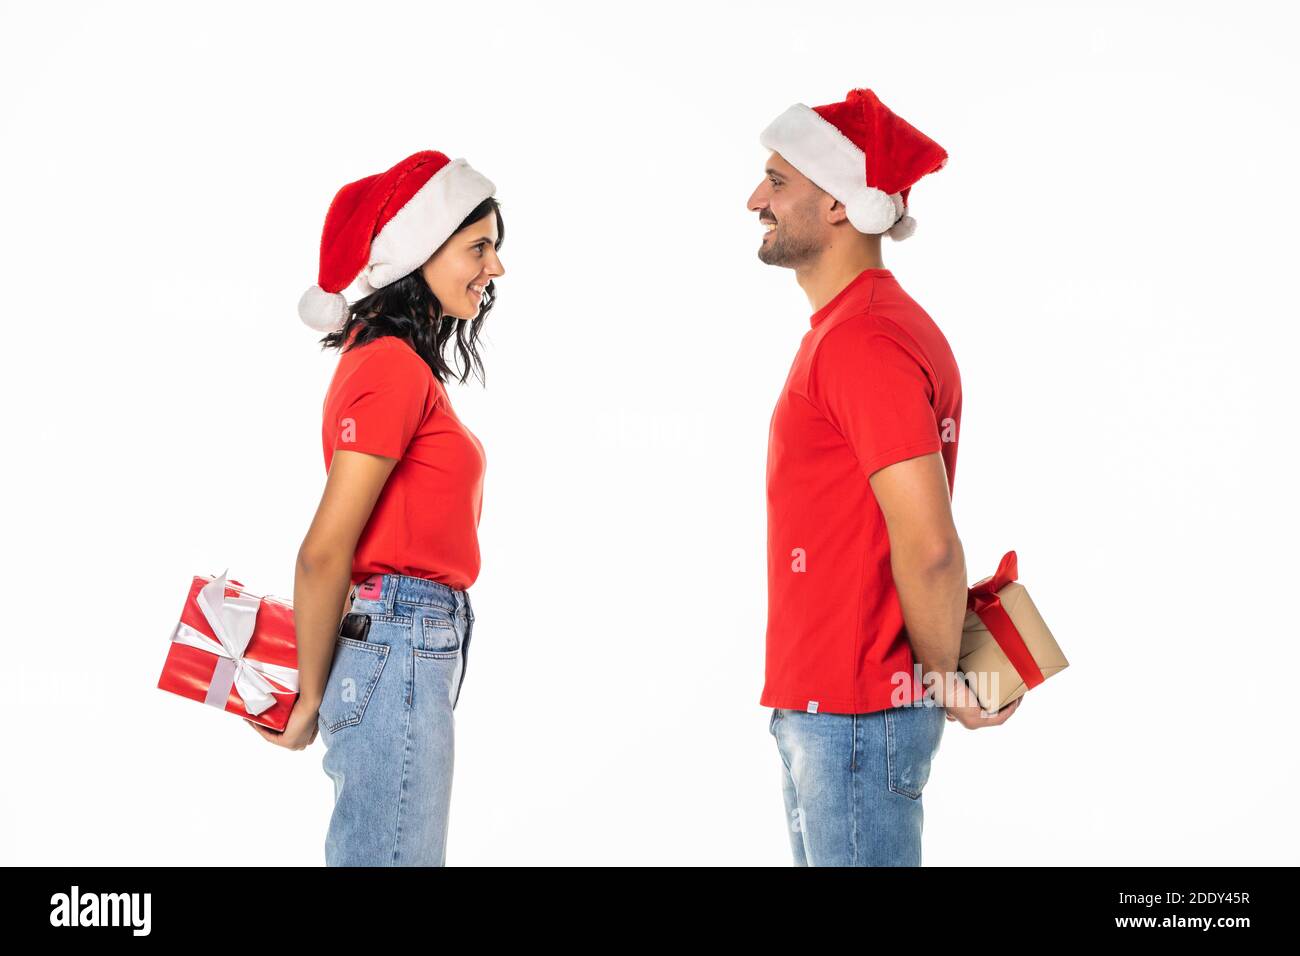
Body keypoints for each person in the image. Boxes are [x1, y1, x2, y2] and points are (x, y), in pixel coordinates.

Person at [747, 89, 1020, 867]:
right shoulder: (855, 329)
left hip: (856, 715)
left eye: (777, 181)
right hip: (833, 710)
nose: (755, 200)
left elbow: (930, 543)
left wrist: (940, 680)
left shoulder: (862, 340)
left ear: (838, 203)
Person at [246, 149, 505, 867]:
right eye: (477, 247)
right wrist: (308, 694)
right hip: (398, 639)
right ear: (416, 255)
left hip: (404, 641)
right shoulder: (389, 364)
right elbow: (324, 550)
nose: (496, 268)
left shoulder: (392, 363)